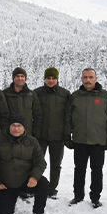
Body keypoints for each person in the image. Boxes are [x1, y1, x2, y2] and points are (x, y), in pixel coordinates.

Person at [65, 68, 107, 208]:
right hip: (79, 139)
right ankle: (78, 196)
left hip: (98, 140)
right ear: (82, 79)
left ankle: (95, 197)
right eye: (85, 77)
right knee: (79, 169)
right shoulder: (75, 96)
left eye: (91, 77)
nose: (88, 80)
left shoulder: (105, 96)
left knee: (97, 170)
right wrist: (66, 135)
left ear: (96, 78)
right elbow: (67, 117)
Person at [0, 115, 49, 214]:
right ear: (9, 127)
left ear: (24, 127)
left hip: (27, 181)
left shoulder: (32, 142)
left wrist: (34, 177)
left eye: (19, 126)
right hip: (7, 184)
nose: (16, 128)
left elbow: (40, 162)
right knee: (4, 213)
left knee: (43, 183)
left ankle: (38, 212)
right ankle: (9, 199)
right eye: (13, 125)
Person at [34, 67, 71, 199]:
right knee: (37, 163)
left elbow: (68, 115)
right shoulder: (37, 93)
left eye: (53, 78)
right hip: (40, 136)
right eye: (48, 78)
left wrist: (67, 132)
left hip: (57, 136)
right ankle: (34, 186)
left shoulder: (65, 94)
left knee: (56, 164)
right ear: (44, 79)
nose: (51, 81)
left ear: (57, 79)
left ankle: (52, 189)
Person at [3, 67, 42, 137]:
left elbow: (37, 115)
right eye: (17, 76)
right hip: (9, 133)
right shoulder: (5, 94)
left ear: (25, 78)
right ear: (13, 78)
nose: (20, 78)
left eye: (22, 76)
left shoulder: (31, 95)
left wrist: (36, 132)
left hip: (27, 133)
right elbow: (2, 114)